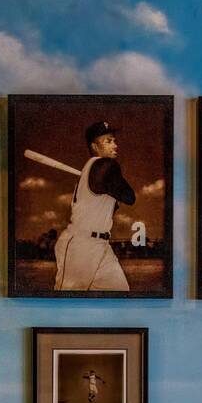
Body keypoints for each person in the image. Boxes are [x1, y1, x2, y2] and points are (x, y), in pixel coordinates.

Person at [53, 120, 136, 291]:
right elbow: (130, 197)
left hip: (101, 246)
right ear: (94, 146)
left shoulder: (92, 171)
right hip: (81, 245)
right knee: (66, 304)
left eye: (114, 140)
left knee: (120, 294)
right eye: (108, 141)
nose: (115, 145)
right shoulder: (105, 165)